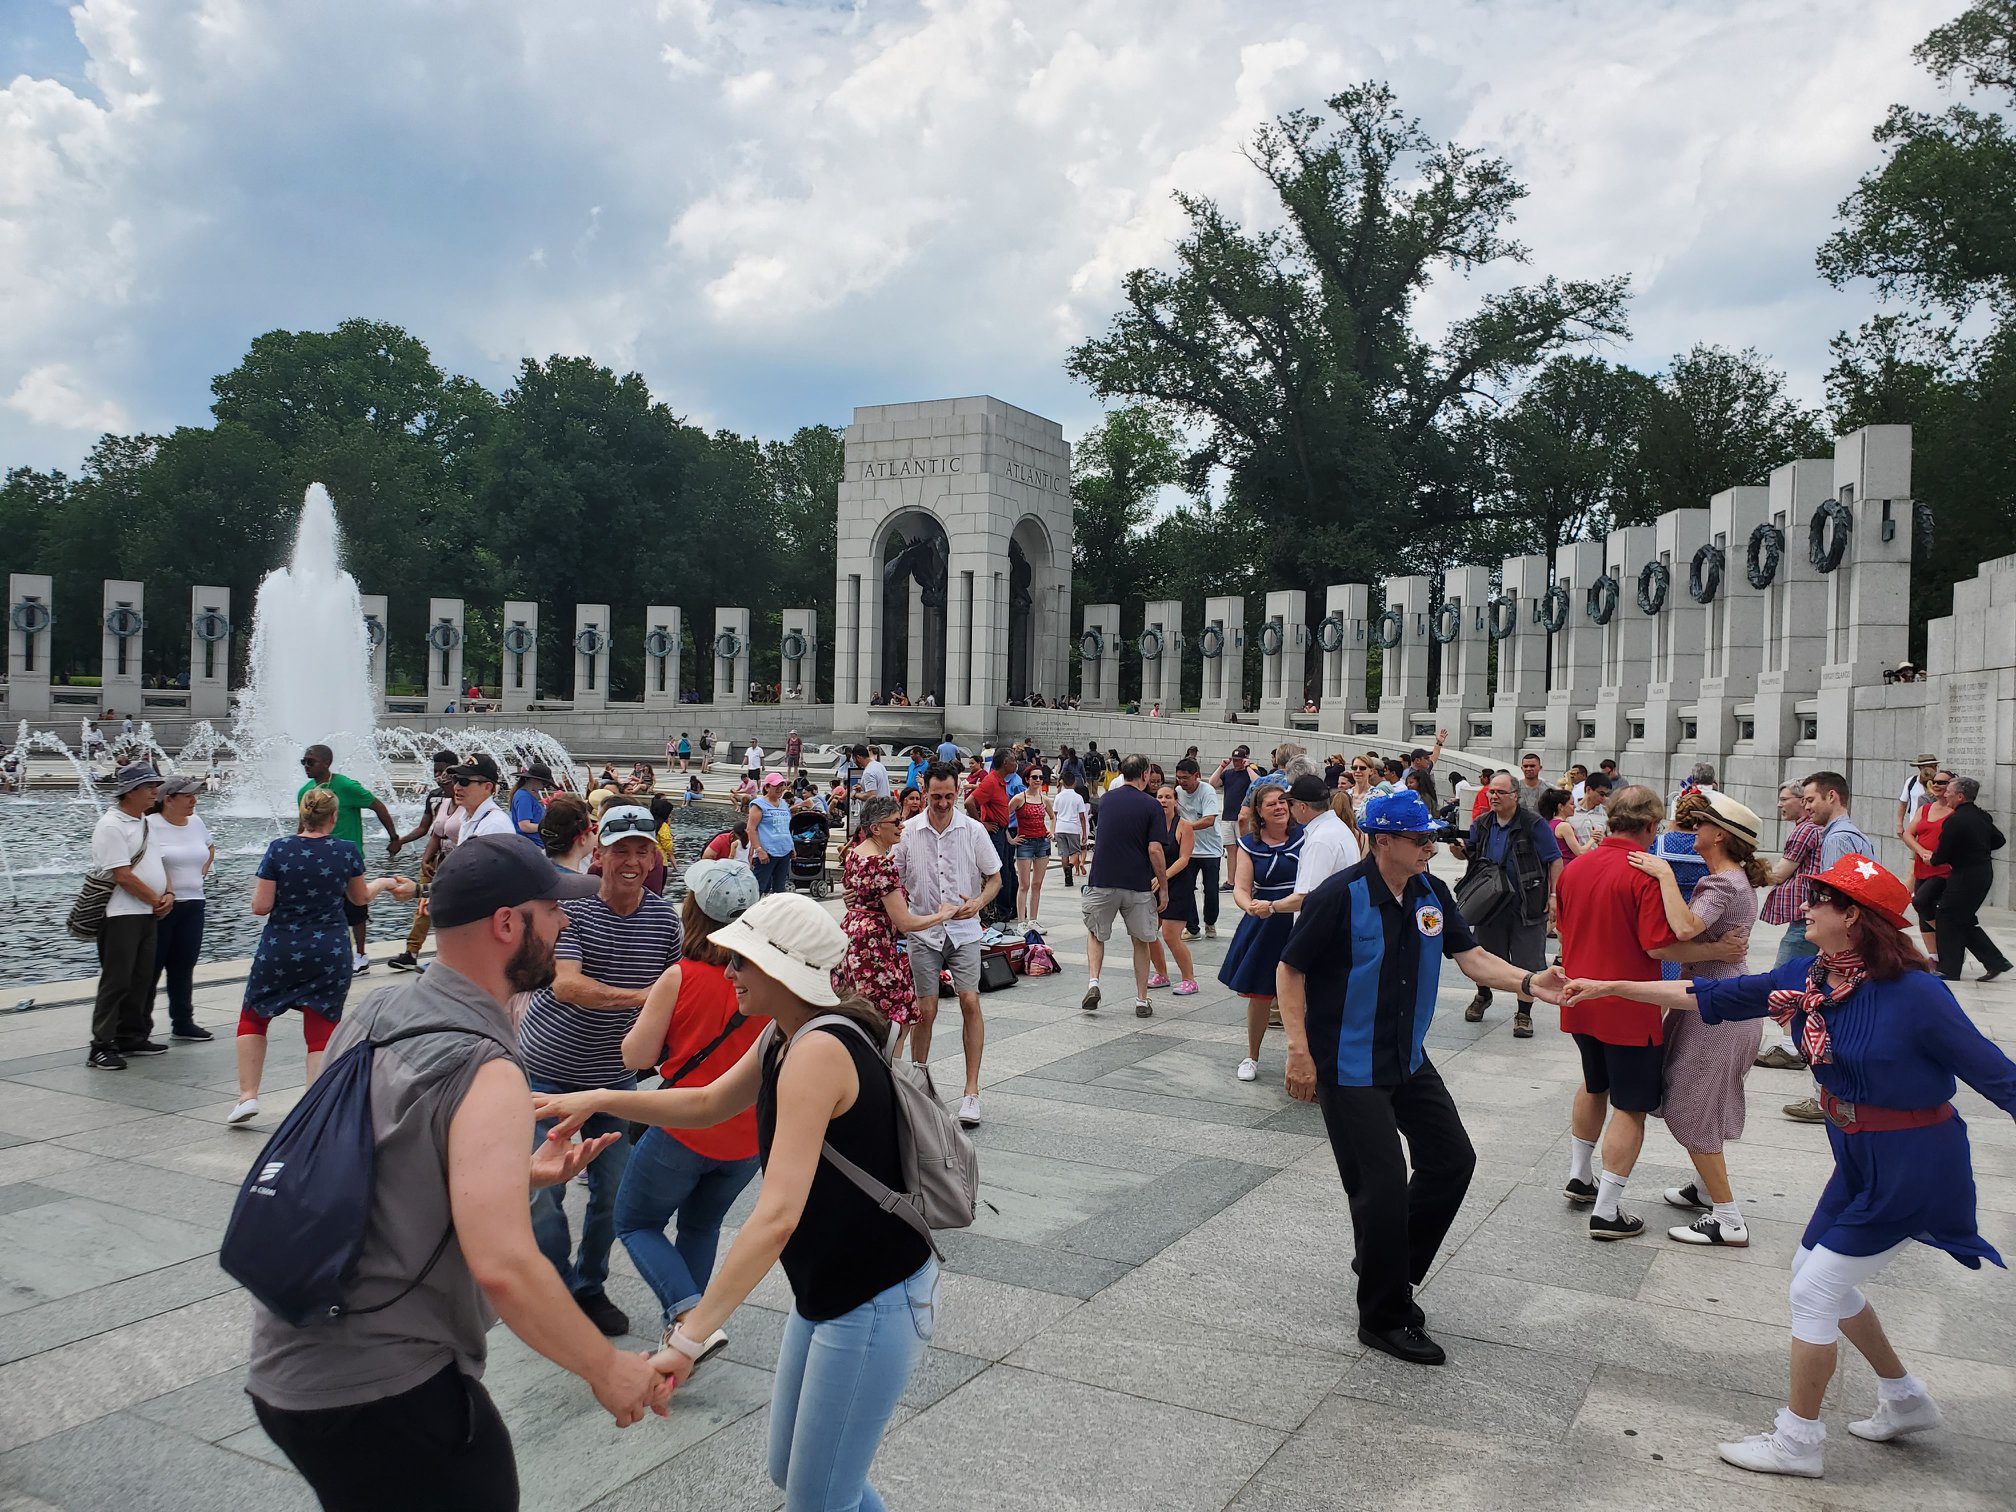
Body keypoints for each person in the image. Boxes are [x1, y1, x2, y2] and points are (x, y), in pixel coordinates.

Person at [1560, 855, 2016, 1480]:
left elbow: (1998, 1076)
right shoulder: (1813, 976)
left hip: (1915, 1162)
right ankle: (1905, 1398)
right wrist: (1611, 986)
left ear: (1852, 917)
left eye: (1819, 900)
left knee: (1813, 1289)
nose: (1804, 907)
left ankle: (1798, 1442)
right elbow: (1707, 994)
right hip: (1856, 1156)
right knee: (1816, 1272)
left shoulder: (1918, 994)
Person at [244, 836, 665, 1510]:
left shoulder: (379, 1011)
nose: (563, 925)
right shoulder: (484, 1065)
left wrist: (513, 1176)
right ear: (507, 924)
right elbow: (504, 1264)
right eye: (553, 911)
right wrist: (607, 1368)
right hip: (382, 1384)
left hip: (290, 1365)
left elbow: (362, 1162)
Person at [533, 894, 936, 1512]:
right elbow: (706, 1102)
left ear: (780, 969)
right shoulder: (787, 1033)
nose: (729, 973)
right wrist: (597, 1097)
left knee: (820, 1498)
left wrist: (689, 1336)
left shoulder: (818, 1051)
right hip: (829, 1288)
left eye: (741, 962)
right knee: (799, 1479)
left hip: (872, 1297)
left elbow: (775, 1216)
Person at [1277, 789, 1568, 1366]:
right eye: (1419, 839)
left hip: (1408, 1059)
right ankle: (1383, 1316)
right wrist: (1298, 1051)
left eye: (1432, 837)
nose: (1430, 847)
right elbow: (1291, 970)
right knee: (1381, 1186)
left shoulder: (1432, 893)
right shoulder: (1340, 896)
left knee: (1452, 1159)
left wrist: (1532, 982)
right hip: (1349, 1063)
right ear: (1383, 841)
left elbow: (1472, 956)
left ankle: (1388, 1262)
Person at [517, 803, 683, 1337]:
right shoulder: (575, 909)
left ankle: (589, 1286)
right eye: (620, 850)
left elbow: (679, 991)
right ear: (600, 854)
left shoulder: (664, 920)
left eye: (641, 851)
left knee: (613, 1193)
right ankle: (557, 1287)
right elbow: (565, 985)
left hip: (612, 1080)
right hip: (546, 1069)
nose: (631, 861)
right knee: (544, 1192)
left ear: (653, 857)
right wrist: (646, 999)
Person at [1553, 786, 1736, 1239]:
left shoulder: (1576, 867)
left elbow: (1562, 926)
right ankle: (1608, 1211)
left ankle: (1580, 1175)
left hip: (1580, 997)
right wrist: (1714, 948)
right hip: (1628, 1006)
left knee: (1594, 1083)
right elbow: (1657, 943)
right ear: (1652, 827)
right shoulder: (1644, 873)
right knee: (1631, 1106)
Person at [606, 857, 769, 1355]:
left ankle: (688, 1315)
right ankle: (684, 1340)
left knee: (634, 1222)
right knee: (701, 1224)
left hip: (683, 1127)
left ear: (693, 909)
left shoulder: (680, 974)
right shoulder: (767, 978)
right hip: (747, 1138)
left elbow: (635, 1056)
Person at [1628, 790, 1768, 1246]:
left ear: (1720, 837)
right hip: (1717, 1003)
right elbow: (1688, 942)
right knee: (1700, 1095)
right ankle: (1706, 1187)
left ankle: (1728, 1219)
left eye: (1703, 825)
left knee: (1694, 1103)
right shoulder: (1728, 879)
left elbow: (1685, 927)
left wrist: (1666, 874)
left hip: (1717, 1010)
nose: (1694, 832)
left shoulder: (1722, 884)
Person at [232, 786, 416, 1124]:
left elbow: (260, 907)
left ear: (302, 814)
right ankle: (311, 1106)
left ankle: (247, 1097)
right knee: (321, 1025)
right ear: (334, 817)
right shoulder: (346, 851)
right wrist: (386, 882)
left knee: (254, 1016)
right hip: (328, 949)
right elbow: (360, 899)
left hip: (279, 947)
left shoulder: (279, 848)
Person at [893, 762, 1000, 1126]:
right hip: (923, 930)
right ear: (924, 792)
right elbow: (892, 879)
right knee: (925, 1009)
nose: (942, 803)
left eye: (949, 797)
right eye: (936, 796)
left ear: (960, 792)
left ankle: (971, 1091)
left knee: (970, 1000)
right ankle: (920, 1084)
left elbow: (995, 878)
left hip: (965, 930)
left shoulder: (971, 830)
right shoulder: (908, 832)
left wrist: (979, 903)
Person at [1782, 773, 1877, 1123]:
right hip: (1853, 937)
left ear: (1832, 796)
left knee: (1829, 1016)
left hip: (1842, 941)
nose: (1806, 807)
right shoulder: (1853, 836)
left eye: (1810, 800)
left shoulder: (1836, 840)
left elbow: (1836, 897)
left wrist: (1828, 941)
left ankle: (1829, 1096)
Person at [1451, 771, 1563, 1038]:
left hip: (1527, 902)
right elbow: (1470, 851)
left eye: (1500, 792)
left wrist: (1555, 896)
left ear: (1515, 795)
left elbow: (1555, 860)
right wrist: (1458, 849)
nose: (1494, 797)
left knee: (1527, 961)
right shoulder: (1482, 823)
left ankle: (1523, 1013)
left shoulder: (1533, 824)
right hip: (1489, 903)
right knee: (1484, 956)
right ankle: (1483, 996)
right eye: (1491, 792)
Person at [841, 796, 952, 1049]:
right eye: (896, 822)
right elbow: (904, 922)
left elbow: (856, 896)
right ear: (876, 828)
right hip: (874, 946)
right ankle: (889, 1073)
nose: (902, 826)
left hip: (852, 939)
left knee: (860, 1011)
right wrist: (942, 915)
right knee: (895, 1018)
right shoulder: (882, 864)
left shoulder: (855, 855)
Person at [86, 763, 172, 1069]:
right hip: (120, 913)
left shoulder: (143, 821)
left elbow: (158, 863)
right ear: (131, 791)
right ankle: (101, 1045)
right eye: (149, 786)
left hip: (146, 911)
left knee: (141, 977)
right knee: (117, 979)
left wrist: (167, 894)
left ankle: (131, 1036)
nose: (155, 791)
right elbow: (121, 875)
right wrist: (154, 899)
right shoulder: (112, 825)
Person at [1221, 781, 1306, 1081]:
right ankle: (1251, 1056)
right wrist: (1250, 906)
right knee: (1259, 993)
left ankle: (1304, 1057)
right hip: (1266, 921)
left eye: (1283, 802)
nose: (1280, 807)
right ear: (1259, 811)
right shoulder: (1250, 844)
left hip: (1300, 917)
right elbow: (1241, 887)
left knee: (1305, 991)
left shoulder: (1305, 836)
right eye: (1272, 804)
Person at [299, 744, 403, 974]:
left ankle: (361, 955)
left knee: (356, 906)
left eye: (310, 761)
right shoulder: (305, 791)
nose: (306, 766)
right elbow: (303, 824)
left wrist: (394, 837)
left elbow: (377, 806)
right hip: (316, 859)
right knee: (322, 907)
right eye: (303, 762)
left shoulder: (345, 786)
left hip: (347, 859)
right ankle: (329, 952)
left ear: (327, 763)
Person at [1081, 754, 1168, 1021]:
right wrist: (1163, 886)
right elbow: (1154, 849)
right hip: (1137, 883)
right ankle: (1142, 999)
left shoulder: (1106, 800)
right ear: (1145, 775)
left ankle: (1094, 982)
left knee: (1096, 933)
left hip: (1102, 879)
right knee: (1141, 941)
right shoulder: (1151, 806)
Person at [147, 774, 216, 1042]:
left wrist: (203, 871)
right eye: (187, 796)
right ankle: (139, 1027)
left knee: (184, 964)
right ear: (169, 799)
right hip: (162, 906)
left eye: (194, 795)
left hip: (194, 903)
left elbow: (209, 847)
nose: (193, 800)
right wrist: (164, 888)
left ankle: (183, 1021)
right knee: (151, 967)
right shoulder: (150, 824)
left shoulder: (196, 822)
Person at [1928, 776, 2011, 983]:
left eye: (1949, 791)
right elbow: (1999, 839)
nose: (1945, 793)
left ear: (1960, 796)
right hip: (1982, 873)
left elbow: (1942, 855)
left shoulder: (1954, 820)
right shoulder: (1981, 816)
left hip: (1965, 876)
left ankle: (1949, 969)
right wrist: (1977, 848)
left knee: (1946, 915)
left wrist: (1933, 859)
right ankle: (1995, 962)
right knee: (1962, 919)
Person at [388, 751, 461, 972]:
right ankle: (411, 952)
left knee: (451, 909)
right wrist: (401, 841)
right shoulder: (435, 796)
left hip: (456, 863)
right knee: (424, 906)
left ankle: (448, 956)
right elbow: (427, 829)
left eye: (443, 771)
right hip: (435, 860)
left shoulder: (465, 797)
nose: (438, 776)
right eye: (435, 772)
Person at [1147, 783, 1200, 995]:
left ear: (1175, 801)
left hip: (1178, 885)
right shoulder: (1150, 825)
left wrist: (1163, 877)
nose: (1163, 801)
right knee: (1148, 933)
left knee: (1170, 935)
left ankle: (1190, 979)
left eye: (1168, 797)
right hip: (1153, 884)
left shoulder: (1184, 826)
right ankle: (1161, 973)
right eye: (1160, 797)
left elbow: (1184, 859)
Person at [1901, 769, 1956, 960]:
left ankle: (1950, 936)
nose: (1938, 785)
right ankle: (1934, 955)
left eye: (1943, 782)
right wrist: (1920, 850)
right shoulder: (1925, 808)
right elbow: (1908, 834)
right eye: (1936, 782)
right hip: (1922, 866)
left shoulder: (1956, 812)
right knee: (1922, 909)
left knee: (1921, 901)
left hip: (1943, 869)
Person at [1173, 758, 1224, 938]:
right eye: (1179, 778)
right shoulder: (1178, 791)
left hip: (1211, 850)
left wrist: (1186, 827)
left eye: (1185, 777)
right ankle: (1192, 927)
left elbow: (1209, 820)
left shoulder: (1207, 791)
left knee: (1210, 890)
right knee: (1186, 888)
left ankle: (1210, 922)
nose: (1182, 782)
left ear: (1197, 776)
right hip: (1189, 850)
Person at [970, 746, 1020, 925]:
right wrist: (982, 824)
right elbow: (970, 802)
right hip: (996, 832)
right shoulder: (991, 782)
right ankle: (1001, 911)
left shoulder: (1000, 781)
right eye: (1014, 760)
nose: (1016, 763)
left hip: (1003, 830)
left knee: (1009, 871)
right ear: (1005, 763)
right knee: (1000, 871)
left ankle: (1011, 909)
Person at [1011, 774, 1053, 931]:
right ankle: (1022, 922)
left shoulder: (1045, 799)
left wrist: (1051, 832)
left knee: (1037, 884)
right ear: (1027, 779)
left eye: (1041, 777)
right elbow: (1004, 817)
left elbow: (1052, 816)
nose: (1038, 780)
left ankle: (1033, 920)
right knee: (1024, 884)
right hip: (1025, 842)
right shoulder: (1019, 798)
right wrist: (1011, 838)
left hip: (1042, 842)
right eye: (1034, 777)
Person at [746, 773, 796, 896]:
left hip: (784, 851)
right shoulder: (758, 805)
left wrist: (792, 846)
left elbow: (786, 827)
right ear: (767, 787)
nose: (780, 788)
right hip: (767, 852)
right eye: (776, 786)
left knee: (780, 888)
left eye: (782, 785)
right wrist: (758, 849)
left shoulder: (784, 804)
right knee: (759, 887)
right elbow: (751, 829)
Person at [451, 754, 518, 841]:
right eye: (455, 780)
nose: (456, 787)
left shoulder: (494, 825)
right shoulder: (469, 817)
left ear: (487, 787)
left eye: (464, 782)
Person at [540, 794, 596, 872]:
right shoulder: (585, 883)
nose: (595, 835)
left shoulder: (537, 869)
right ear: (582, 839)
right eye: (594, 829)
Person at [1561, 772, 1611, 855]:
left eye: (1606, 795)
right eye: (1601, 794)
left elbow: (1612, 840)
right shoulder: (1570, 812)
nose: (1603, 798)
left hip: (1599, 859)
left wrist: (1602, 840)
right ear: (1588, 790)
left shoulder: (1606, 813)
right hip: (1576, 861)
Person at [1053, 778, 1090, 890]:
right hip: (1073, 828)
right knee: (1075, 852)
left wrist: (1054, 828)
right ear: (1074, 783)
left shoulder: (1058, 796)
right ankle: (1070, 867)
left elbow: (1054, 813)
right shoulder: (1078, 797)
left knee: (1064, 853)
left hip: (1060, 827)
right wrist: (1084, 833)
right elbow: (1082, 817)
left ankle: (1067, 877)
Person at [1895, 752, 1939, 840]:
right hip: (1916, 829)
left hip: (1936, 829)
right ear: (1920, 768)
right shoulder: (1911, 781)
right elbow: (1903, 803)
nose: (1931, 768)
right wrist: (1899, 824)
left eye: (1933, 766)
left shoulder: (1940, 781)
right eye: (1927, 766)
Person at [509, 764, 551, 850]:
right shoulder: (524, 797)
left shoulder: (525, 795)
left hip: (532, 845)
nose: (544, 787)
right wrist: (548, 827)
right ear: (534, 780)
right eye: (544, 783)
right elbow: (525, 826)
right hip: (532, 846)